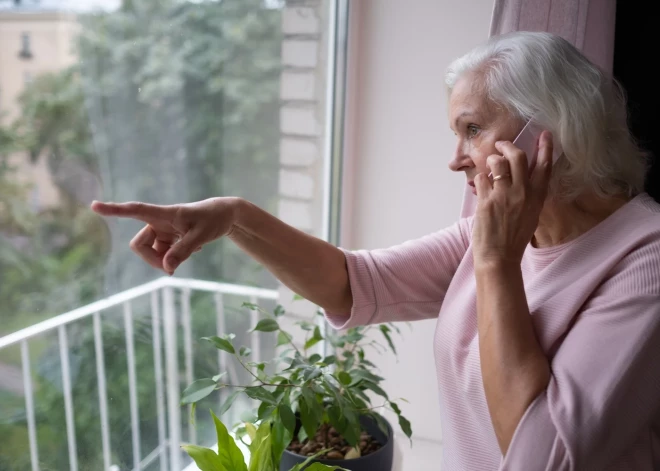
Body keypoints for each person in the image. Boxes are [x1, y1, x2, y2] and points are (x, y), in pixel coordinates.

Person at [92, 32, 660, 470]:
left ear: (548, 133)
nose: (456, 159)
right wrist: (236, 218)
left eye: (472, 129)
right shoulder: (498, 235)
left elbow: (541, 457)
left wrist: (495, 264)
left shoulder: (643, 261)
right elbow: (354, 283)